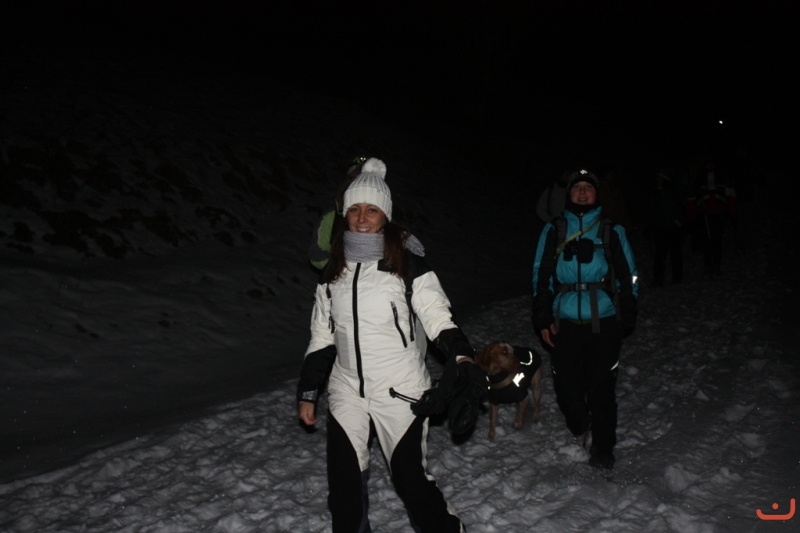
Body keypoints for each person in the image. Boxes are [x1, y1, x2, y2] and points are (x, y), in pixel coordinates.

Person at [297, 158, 486, 532]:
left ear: (385, 214)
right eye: (354, 209)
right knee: (344, 492)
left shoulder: (406, 263)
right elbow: (322, 335)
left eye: (371, 209)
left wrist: (462, 356)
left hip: (400, 391)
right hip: (347, 391)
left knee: (411, 483)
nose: (361, 218)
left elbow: (437, 317)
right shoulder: (333, 270)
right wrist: (308, 389)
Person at [532, 169, 639, 470]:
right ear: (569, 194)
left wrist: (627, 312)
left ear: (596, 193)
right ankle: (580, 423)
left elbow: (629, 273)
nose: (582, 191)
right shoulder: (554, 229)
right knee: (566, 388)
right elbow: (541, 273)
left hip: (604, 320)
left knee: (601, 388)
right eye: (576, 187)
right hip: (564, 320)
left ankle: (603, 449)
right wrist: (542, 317)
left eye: (587, 187)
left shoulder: (611, 229)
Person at [308, 156, 368, 271]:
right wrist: (338, 265)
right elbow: (316, 254)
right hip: (337, 279)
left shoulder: (383, 220)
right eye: (354, 180)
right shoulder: (332, 217)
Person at [686, 158, 737, 278]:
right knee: (706, 241)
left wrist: (733, 214)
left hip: (720, 214)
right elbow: (691, 198)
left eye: (712, 163)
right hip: (704, 215)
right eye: (708, 163)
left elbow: (731, 197)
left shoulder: (722, 178)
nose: (710, 166)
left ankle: (717, 265)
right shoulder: (699, 180)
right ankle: (708, 266)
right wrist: (691, 216)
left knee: (717, 240)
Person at [647, 169, 687, 286]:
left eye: (660, 178)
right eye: (657, 178)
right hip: (660, 228)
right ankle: (658, 279)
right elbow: (652, 211)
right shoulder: (655, 193)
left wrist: (679, 223)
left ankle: (677, 277)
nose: (658, 180)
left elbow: (680, 209)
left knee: (675, 253)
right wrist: (649, 226)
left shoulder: (673, 193)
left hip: (672, 228)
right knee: (660, 254)